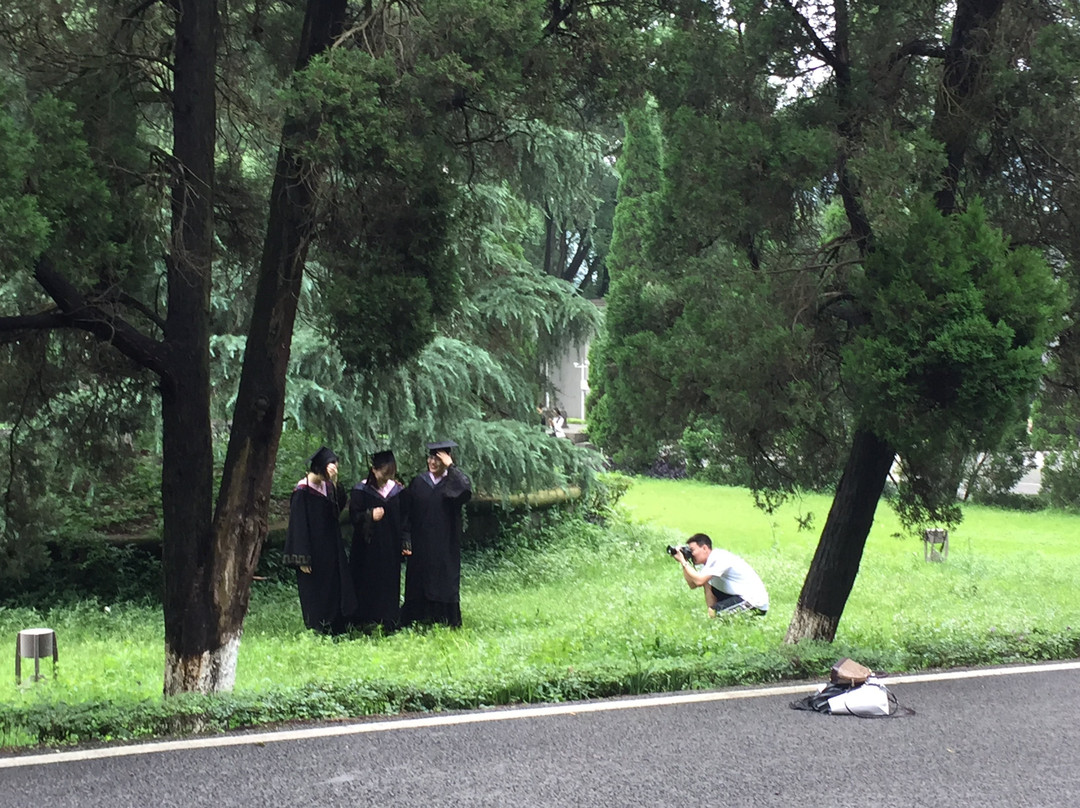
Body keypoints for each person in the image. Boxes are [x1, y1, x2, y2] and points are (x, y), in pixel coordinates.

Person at [282, 446, 357, 634]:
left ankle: (337, 624)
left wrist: (335, 482)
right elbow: (298, 526)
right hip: (312, 549)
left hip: (331, 545)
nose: (333, 472)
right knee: (316, 590)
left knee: (334, 585)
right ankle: (319, 626)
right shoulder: (302, 490)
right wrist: (302, 558)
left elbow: (338, 507)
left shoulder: (328, 486)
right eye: (331, 468)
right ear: (319, 467)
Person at [400, 439, 472, 628]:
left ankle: (445, 618)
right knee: (420, 578)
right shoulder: (418, 482)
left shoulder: (452, 483)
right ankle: (420, 617)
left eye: (438, 459)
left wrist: (452, 467)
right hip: (421, 541)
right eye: (431, 458)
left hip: (445, 542)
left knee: (444, 578)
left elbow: (466, 490)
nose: (432, 462)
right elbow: (407, 512)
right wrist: (406, 538)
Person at [349, 449, 407, 633]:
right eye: (384, 474)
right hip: (366, 548)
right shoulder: (361, 491)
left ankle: (389, 619)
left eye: (390, 474)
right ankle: (365, 620)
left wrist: (406, 542)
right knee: (366, 581)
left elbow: (406, 519)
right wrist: (369, 515)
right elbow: (353, 517)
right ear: (373, 470)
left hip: (390, 546)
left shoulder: (397, 491)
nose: (386, 478)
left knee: (389, 581)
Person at [672, 532, 769, 617]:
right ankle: (719, 621)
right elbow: (692, 584)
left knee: (714, 612)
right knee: (709, 588)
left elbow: (698, 581)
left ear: (705, 548)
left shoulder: (719, 557)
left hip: (754, 602)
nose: (691, 554)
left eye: (692, 550)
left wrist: (683, 561)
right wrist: (683, 561)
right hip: (740, 597)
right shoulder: (707, 566)